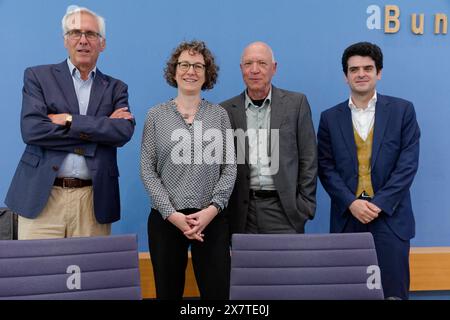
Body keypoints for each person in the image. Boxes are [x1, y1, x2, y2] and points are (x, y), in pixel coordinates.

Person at [5, 6, 135, 239]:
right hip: (42, 197)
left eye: (91, 34)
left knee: (89, 274)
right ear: (65, 40)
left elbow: (122, 132)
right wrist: (100, 128)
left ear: (102, 43)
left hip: (93, 200)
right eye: (75, 33)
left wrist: (68, 120)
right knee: (39, 274)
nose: (83, 40)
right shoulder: (38, 77)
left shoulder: (116, 88)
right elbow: (33, 131)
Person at [317, 42, 420, 299]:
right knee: (349, 292)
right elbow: (325, 167)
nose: (361, 73)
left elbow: (408, 164)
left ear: (379, 72)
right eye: (354, 69)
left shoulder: (402, 111)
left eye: (368, 68)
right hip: (348, 218)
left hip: (391, 218)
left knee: (393, 292)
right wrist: (351, 203)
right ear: (346, 76)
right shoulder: (330, 117)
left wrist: (380, 203)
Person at [140, 40, 236, 300]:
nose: (190, 71)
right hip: (166, 221)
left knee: (217, 296)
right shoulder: (156, 115)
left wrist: (212, 210)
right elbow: (147, 169)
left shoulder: (219, 115)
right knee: (167, 293)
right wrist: (172, 215)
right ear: (174, 70)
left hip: (211, 220)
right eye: (184, 64)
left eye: (198, 66)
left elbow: (229, 167)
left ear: (207, 74)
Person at [220, 41, 317, 236]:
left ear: (274, 68)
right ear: (241, 69)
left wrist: (304, 206)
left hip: (285, 211)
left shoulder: (296, 104)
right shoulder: (226, 110)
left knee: (286, 266)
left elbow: (309, 158)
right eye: (248, 64)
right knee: (245, 267)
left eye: (262, 63)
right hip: (242, 213)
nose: (254, 70)